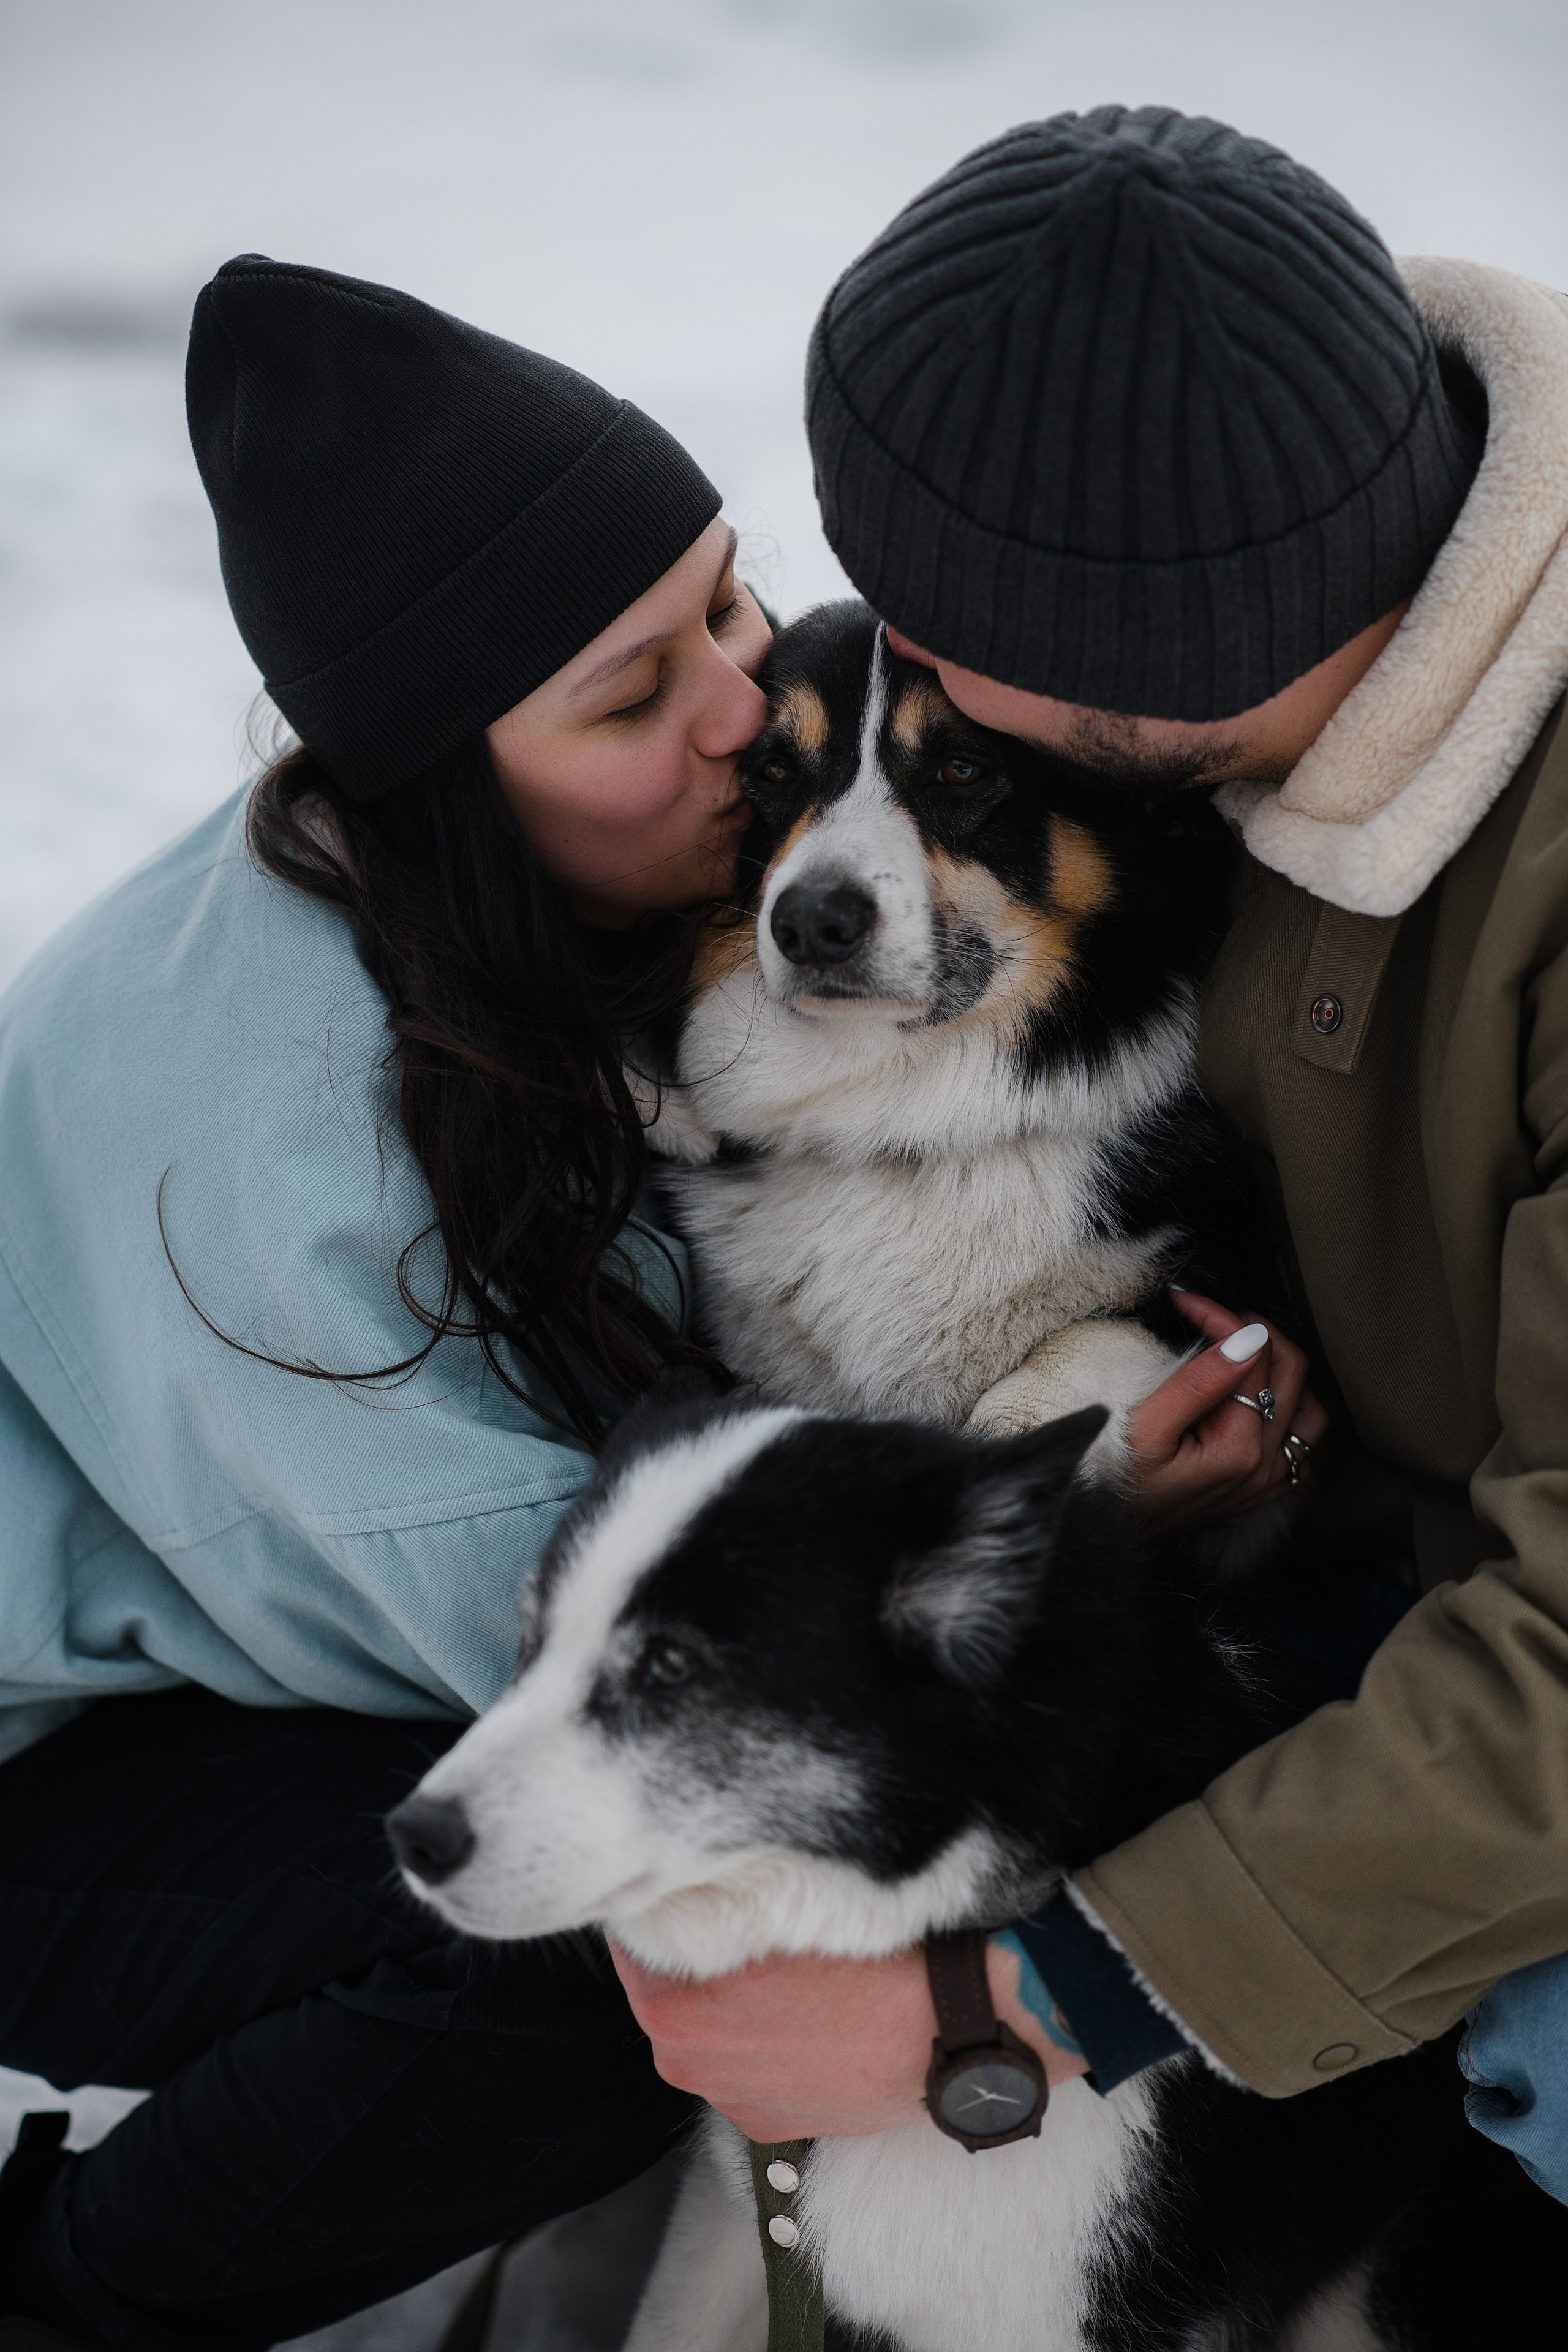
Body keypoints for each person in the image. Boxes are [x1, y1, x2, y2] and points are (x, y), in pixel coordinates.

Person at [616, 107, 1568, 2217]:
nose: (898, 669)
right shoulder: (1277, 678)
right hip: (1390, 1599)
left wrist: (1022, 2004)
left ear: (1155, 638)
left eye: (943, 638)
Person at [0, 254, 775, 2345]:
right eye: (636, 695)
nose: (749, 707)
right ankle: (70, 2296)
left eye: (734, 600)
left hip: (165, 1637)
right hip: (30, 1766)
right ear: (445, 774)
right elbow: (562, 1666)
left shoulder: (463, 901)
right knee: (566, 1939)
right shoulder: (276, 1138)